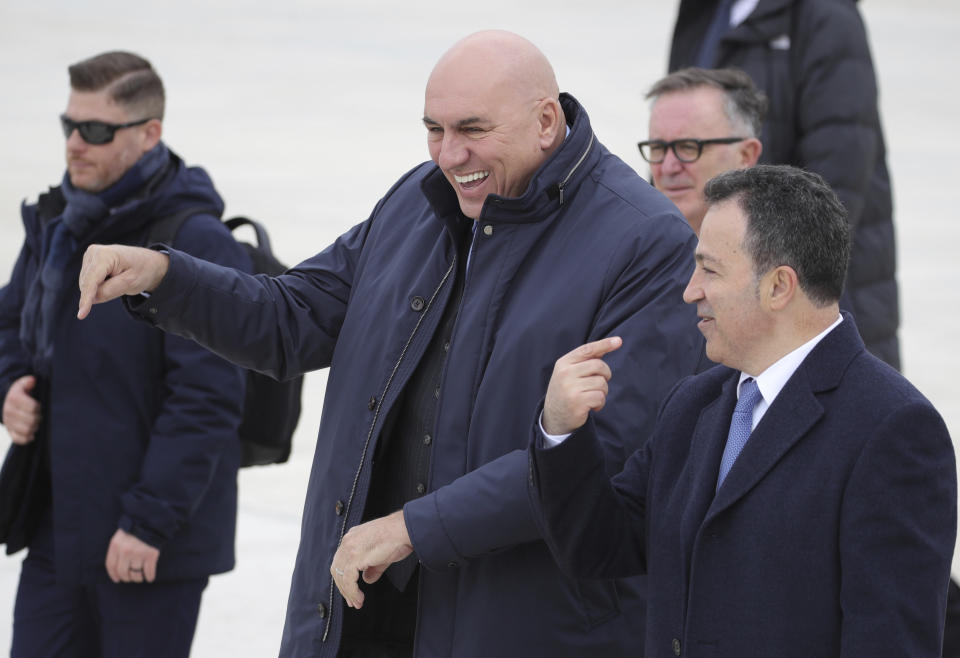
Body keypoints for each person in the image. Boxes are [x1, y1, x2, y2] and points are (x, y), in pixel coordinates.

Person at [76, 30, 704, 658]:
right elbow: (291, 318)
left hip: (520, 624)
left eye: (472, 130)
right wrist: (167, 277)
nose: (450, 155)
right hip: (357, 608)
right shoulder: (416, 200)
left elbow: (603, 456)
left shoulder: (647, 242)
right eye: (434, 129)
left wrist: (414, 529)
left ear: (546, 121)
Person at [529, 164, 956, 657]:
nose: (690, 290)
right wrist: (560, 430)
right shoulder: (694, 404)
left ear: (778, 286)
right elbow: (598, 546)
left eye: (709, 269)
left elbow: (889, 643)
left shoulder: (895, 428)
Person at [0, 51, 249, 657]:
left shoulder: (195, 243)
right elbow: (8, 323)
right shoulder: (60, 223)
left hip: (148, 544)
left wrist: (147, 523)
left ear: (148, 134)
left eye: (95, 131)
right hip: (59, 527)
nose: (74, 145)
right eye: (68, 126)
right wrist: (9, 386)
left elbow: (207, 402)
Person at [667, 0, 901, 370]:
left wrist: (745, 287)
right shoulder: (703, 10)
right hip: (730, 293)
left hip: (810, 301)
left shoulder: (826, 17)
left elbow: (835, 192)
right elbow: (674, 135)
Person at [638, 67, 764, 235]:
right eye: (657, 148)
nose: (668, 168)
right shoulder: (626, 250)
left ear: (745, 155)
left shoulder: (790, 256)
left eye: (688, 147)